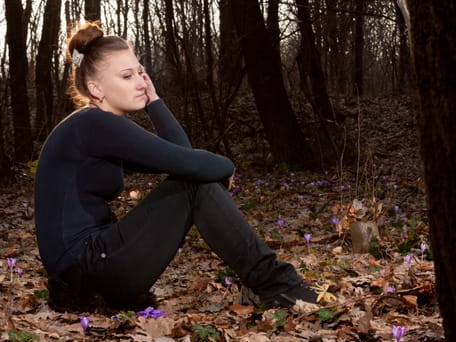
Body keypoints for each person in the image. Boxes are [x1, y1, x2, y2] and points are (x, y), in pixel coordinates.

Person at [34, 21, 317, 314]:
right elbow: (190, 164)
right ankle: (278, 285)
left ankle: (275, 283)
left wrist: (155, 101)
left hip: (91, 270)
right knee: (195, 183)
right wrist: (226, 166)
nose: (141, 82)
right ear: (96, 88)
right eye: (127, 76)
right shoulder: (92, 124)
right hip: (87, 268)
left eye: (141, 72)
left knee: (194, 180)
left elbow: (181, 155)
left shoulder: (95, 128)